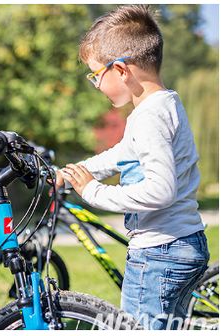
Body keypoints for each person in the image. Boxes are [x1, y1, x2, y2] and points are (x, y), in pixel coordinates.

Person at [54, 5, 209, 330]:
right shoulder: (165, 104)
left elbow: (160, 190)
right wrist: (75, 173)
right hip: (183, 243)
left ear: (121, 70)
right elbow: (123, 153)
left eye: (97, 75)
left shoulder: (148, 117)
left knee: (134, 329)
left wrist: (93, 191)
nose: (96, 85)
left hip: (158, 253)